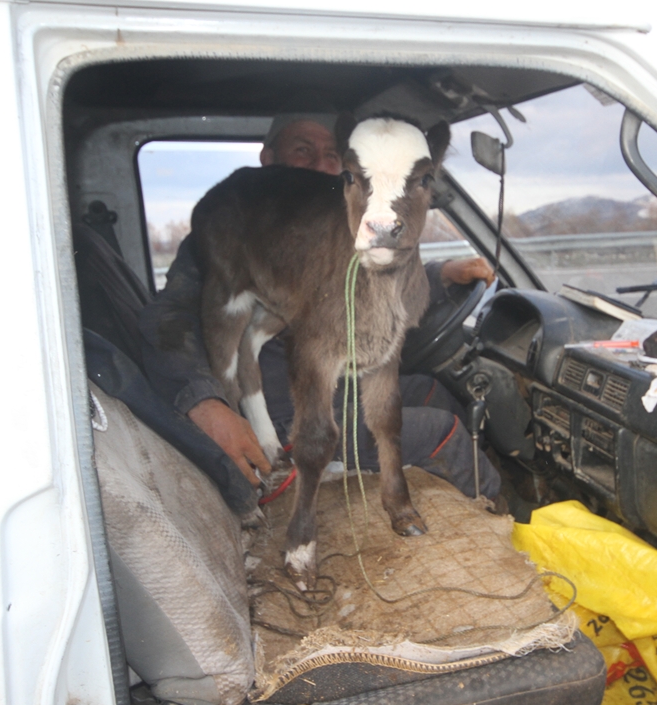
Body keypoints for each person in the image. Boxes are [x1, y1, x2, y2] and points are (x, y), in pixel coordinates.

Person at [138, 108, 502, 502]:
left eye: (333, 154)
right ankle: (502, 520)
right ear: (269, 160)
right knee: (443, 432)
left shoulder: (347, 217)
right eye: (302, 149)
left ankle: (473, 498)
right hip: (288, 414)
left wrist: (441, 274)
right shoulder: (234, 227)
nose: (320, 163)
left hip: (342, 386)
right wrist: (204, 403)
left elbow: (373, 290)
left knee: (433, 391)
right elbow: (168, 320)